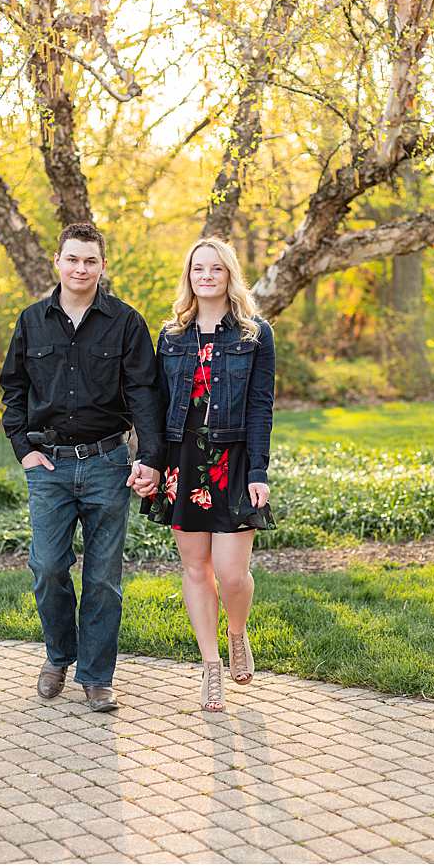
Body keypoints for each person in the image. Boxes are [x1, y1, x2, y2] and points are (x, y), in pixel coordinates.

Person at [0, 223, 165, 712]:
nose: (81, 268)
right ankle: (58, 655)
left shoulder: (126, 323)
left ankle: (96, 676)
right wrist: (23, 450)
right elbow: (12, 389)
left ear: (102, 266)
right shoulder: (32, 321)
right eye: (73, 259)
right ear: (58, 261)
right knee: (48, 567)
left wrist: (149, 456)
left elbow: (144, 395)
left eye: (90, 261)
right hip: (48, 466)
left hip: (107, 463)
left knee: (103, 579)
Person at [141, 237, 276, 713]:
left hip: (233, 461)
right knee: (196, 568)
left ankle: (237, 633)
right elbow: (155, 407)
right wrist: (152, 462)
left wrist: (258, 470)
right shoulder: (172, 336)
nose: (206, 276)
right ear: (189, 275)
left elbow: (261, 406)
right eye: (198, 268)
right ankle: (211, 666)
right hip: (183, 462)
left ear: (229, 275)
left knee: (232, 573)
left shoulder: (254, 334)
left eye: (215, 269)